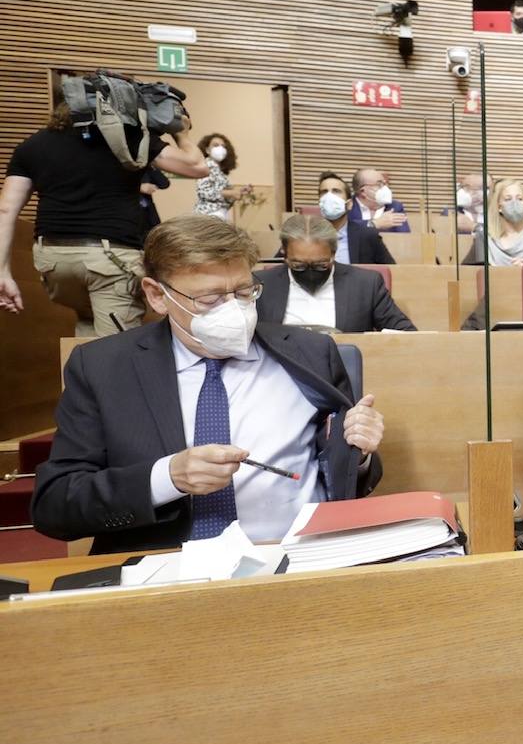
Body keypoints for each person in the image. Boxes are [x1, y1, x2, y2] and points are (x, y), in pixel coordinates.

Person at [31, 216, 387, 553]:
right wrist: (165, 478)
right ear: (157, 295)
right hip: (164, 572)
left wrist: (360, 455)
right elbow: (55, 505)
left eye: (245, 292)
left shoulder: (312, 352)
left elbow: (342, 474)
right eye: (210, 299)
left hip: (295, 559)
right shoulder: (103, 367)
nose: (234, 310)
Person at [0, 85, 208, 335]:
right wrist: (181, 133)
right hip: (110, 259)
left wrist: (3, 272)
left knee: (88, 327)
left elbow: (5, 210)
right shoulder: (128, 138)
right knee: (116, 348)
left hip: (54, 262)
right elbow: (196, 166)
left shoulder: (32, 145)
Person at [256, 213, 415, 333]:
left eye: (320, 264)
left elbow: (406, 334)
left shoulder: (366, 284)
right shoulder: (262, 285)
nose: (310, 272)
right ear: (284, 254)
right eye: (299, 265)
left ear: (333, 253)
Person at [318, 172, 395, 265]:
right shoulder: (306, 236)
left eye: (336, 191)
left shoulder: (368, 236)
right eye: (324, 192)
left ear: (349, 204)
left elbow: (391, 271)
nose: (329, 197)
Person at [475, 178, 523, 266]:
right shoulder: (487, 237)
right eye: (508, 199)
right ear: (499, 207)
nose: (515, 203)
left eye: (520, 199)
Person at [194, 133, 249, 220]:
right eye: (215, 145)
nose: (220, 148)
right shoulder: (206, 166)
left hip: (220, 213)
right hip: (208, 215)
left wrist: (237, 193)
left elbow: (223, 198)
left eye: (223, 146)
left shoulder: (220, 171)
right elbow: (203, 192)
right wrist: (230, 193)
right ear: (207, 150)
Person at [349, 168, 408, 233]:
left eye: (386, 184)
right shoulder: (346, 206)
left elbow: (403, 235)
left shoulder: (395, 206)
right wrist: (374, 224)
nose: (386, 188)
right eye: (379, 184)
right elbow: (345, 231)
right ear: (363, 191)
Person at [139, 165, 170, 231]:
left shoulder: (145, 167)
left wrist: (152, 166)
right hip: (127, 214)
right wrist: (140, 187)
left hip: (148, 214)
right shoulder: (117, 164)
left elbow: (164, 184)